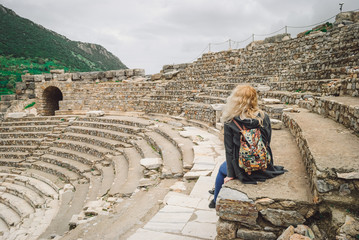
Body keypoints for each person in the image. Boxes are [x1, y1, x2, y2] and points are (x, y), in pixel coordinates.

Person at [209, 85, 286, 208]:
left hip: (242, 168)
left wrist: (230, 175)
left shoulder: (230, 120)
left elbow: (229, 151)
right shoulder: (263, 117)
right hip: (263, 165)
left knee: (221, 170)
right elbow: (267, 143)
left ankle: (215, 201)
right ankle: (215, 196)